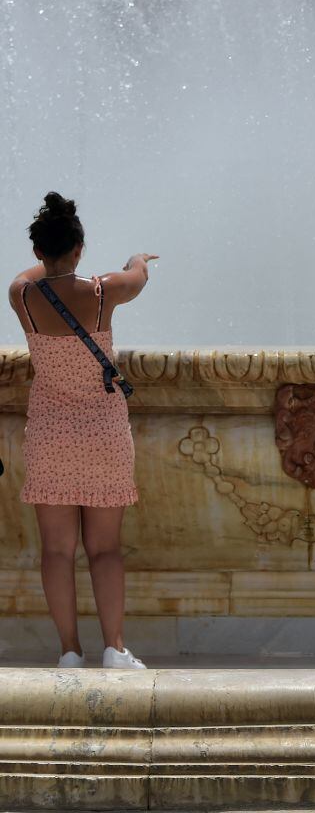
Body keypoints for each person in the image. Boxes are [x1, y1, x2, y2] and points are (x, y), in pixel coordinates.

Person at [7, 192, 157, 670]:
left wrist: (52, 261)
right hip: (103, 432)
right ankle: (114, 648)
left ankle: (70, 651)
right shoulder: (101, 293)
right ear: (80, 248)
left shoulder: (22, 296)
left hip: (50, 432)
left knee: (56, 551)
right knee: (105, 549)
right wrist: (136, 259)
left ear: (38, 249)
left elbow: (31, 274)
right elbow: (138, 276)